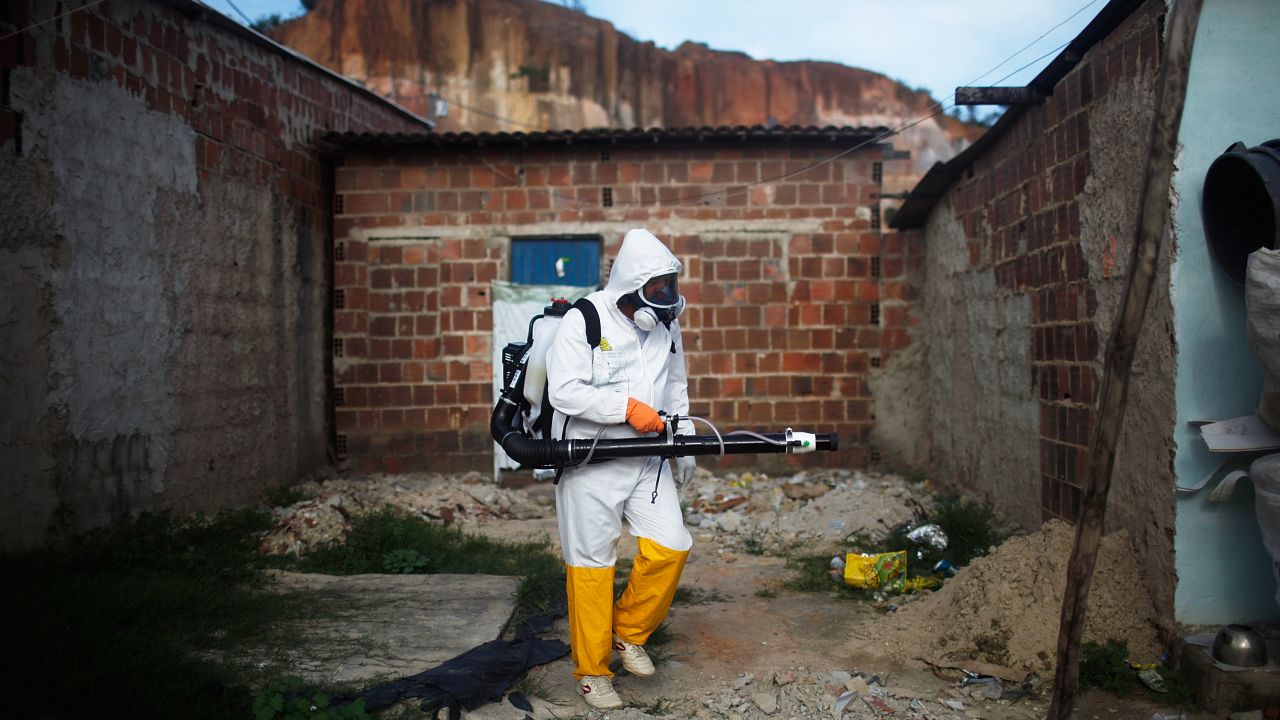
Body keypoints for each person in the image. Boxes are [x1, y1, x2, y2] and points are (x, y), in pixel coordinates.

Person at [544, 228, 697, 710]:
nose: (667, 298)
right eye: (658, 289)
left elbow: (675, 387)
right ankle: (592, 672)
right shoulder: (584, 320)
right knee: (592, 565)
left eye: (671, 287)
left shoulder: (666, 327)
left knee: (672, 545)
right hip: (590, 458)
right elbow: (562, 390)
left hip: (647, 456)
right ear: (633, 286)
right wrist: (625, 407)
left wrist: (684, 443)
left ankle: (627, 631)